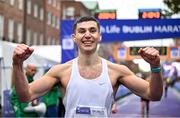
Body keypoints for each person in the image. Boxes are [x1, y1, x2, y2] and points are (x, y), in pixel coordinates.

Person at [12, 16, 163, 117]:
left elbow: (153, 95)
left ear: (100, 36)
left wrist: (155, 67)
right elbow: (26, 95)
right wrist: (17, 64)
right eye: (82, 31)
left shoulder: (117, 71)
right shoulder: (60, 71)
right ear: (74, 38)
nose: (87, 35)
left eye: (92, 30)